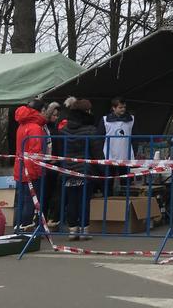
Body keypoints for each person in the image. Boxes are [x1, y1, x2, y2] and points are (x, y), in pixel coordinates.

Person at [60, 97, 103, 240]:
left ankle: (72, 230)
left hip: (68, 170)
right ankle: (84, 230)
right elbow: (97, 151)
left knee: (72, 200)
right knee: (84, 200)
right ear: (87, 112)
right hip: (85, 169)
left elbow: (61, 150)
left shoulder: (64, 129)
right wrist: (102, 168)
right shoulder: (90, 130)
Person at [13, 99, 48, 231]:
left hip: (20, 167)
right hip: (31, 169)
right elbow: (36, 151)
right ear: (40, 111)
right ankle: (25, 226)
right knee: (30, 200)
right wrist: (39, 172)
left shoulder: (21, 125)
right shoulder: (35, 128)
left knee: (21, 200)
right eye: (44, 111)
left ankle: (18, 226)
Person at [98, 98, 135, 181]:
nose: (123, 109)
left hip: (126, 155)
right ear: (113, 108)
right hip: (109, 155)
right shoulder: (105, 120)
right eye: (120, 107)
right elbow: (99, 137)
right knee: (108, 180)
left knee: (126, 181)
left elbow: (135, 136)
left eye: (124, 107)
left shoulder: (131, 119)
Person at [40, 101, 62, 228]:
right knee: (46, 195)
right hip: (47, 164)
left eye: (57, 115)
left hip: (54, 163)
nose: (56, 117)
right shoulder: (45, 128)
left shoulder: (55, 128)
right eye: (53, 115)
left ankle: (51, 219)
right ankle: (44, 221)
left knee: (53, 194)